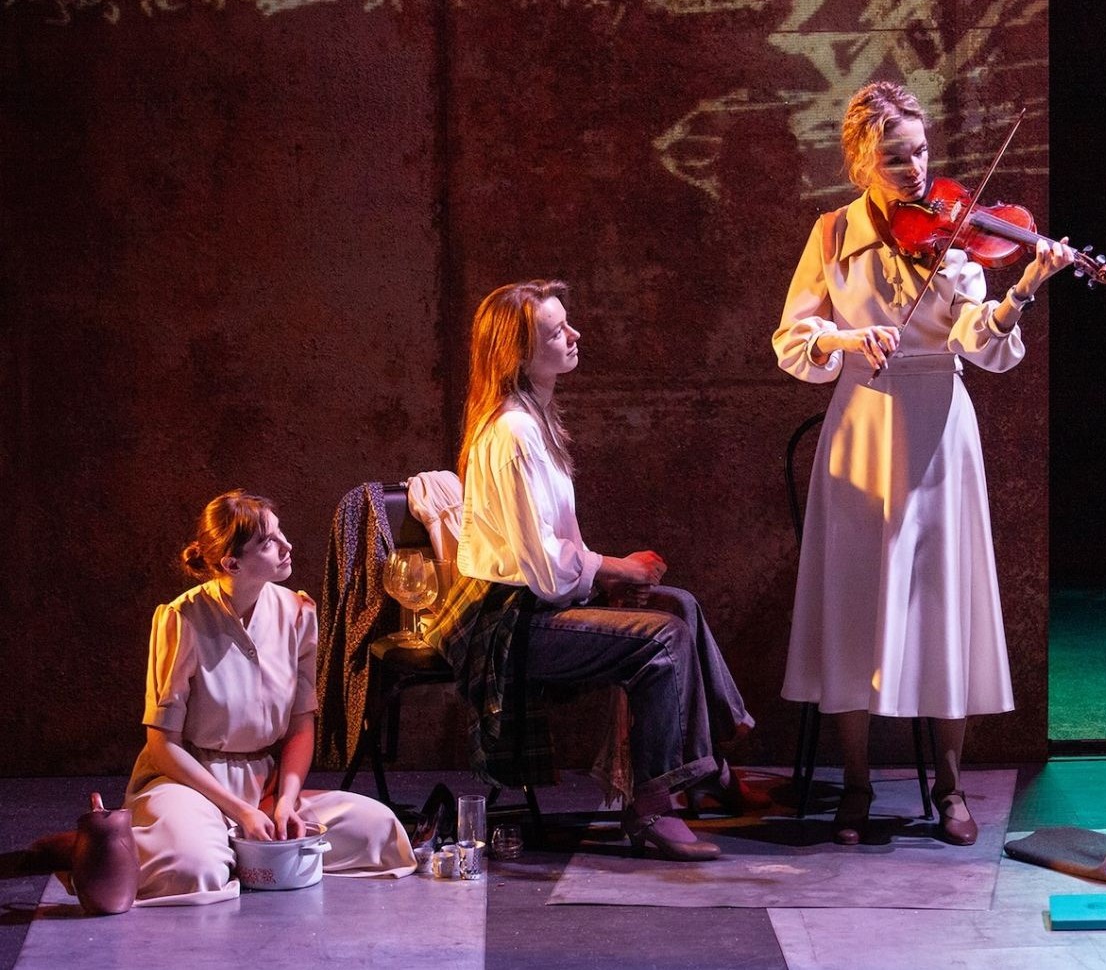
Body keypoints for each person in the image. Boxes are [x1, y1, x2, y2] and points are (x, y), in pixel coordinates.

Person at [772, 80, 1074, 846]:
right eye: (897, 158)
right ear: (860, 163)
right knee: (852, 602)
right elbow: (792, 340)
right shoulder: (833, 234)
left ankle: (949, 786)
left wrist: (1022, 289)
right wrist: (847, 339)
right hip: (861, 429)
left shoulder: (956, 236)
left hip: (940, 427)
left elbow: (980, 341)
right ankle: (857, 784)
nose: (916, 170)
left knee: (942, 601)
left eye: (921, 153)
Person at [432, 279, 754, 863]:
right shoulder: (513, 433)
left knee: (678, 604)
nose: (575, 334)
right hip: (509, 625)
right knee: (663, 639)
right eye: (557, 331)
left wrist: (610, 575)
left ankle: (710, 764)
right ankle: (654, 805)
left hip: (536, 602)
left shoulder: (537, 418)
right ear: (518, 354)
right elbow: (543, 567)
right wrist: (614, 568)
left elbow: (555, 551)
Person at [118, 490, 415, 906]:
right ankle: (209, 845)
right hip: (189, 783)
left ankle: (241, 851)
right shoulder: (182, 619)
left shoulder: (297, 613)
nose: (287, 546)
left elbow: (300, 726)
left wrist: (285, 804)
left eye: (280, 533)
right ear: (231, 564)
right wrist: (241, 812)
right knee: (193, 870)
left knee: (379, 831)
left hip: (263, 787)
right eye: (268, 542)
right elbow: (162, 745)